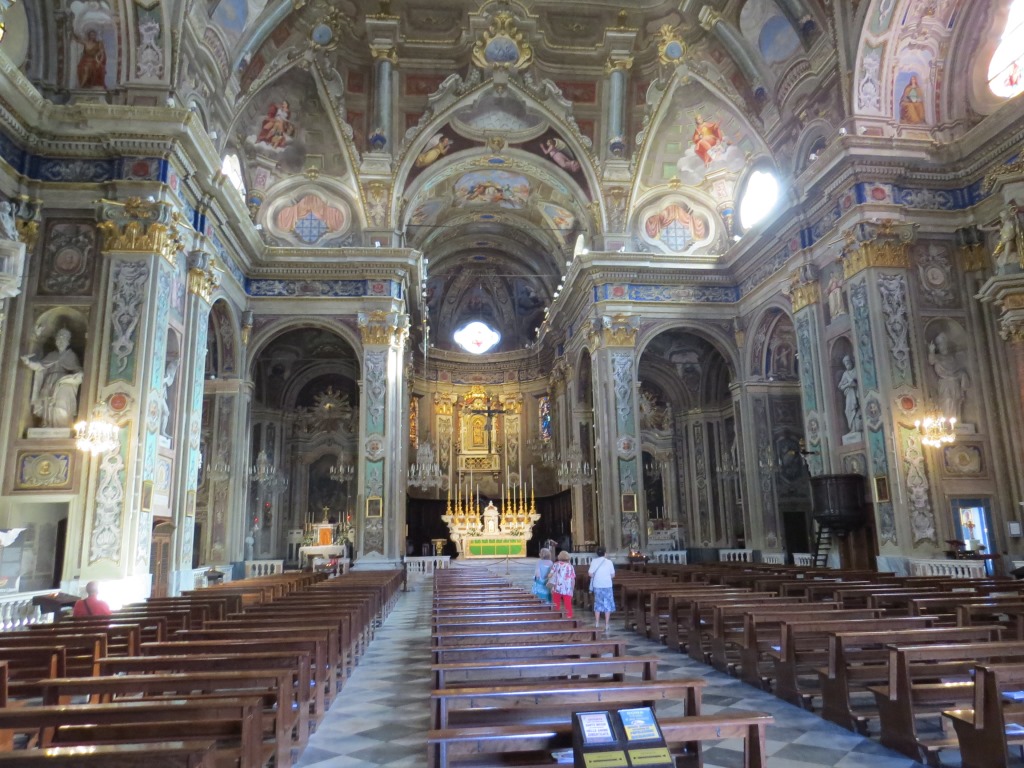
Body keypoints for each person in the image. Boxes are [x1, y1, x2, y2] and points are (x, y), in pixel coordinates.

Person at [22, 328, 83, 429]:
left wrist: (78, 375)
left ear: (68, 341)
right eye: (59, 338)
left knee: (61, 404)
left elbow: (78, 370)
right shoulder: (52, 355)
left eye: (63, 338)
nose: (61, 341)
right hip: (49, 381)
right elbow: (40, 366)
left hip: (63, 383)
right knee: (47, 404)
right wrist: (28, 362)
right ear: (55, 341)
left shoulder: (71, 355)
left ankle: (61, 426)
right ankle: (47, 424)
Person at [929, 332, 970, 421]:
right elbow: (931, 360)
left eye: (945, 345)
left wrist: (961, 374)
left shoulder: (952, 357)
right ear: (938, 347)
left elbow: (956, 369)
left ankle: (956, 421)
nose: (944, 347)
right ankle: (946, 422)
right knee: (947, 400)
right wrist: (931, 350)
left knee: (956, 400)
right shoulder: (937, 357)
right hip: (945, 383)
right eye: (941, 345)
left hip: (954, 382)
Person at [588, 546, 615, 632]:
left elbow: (590, 573)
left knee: (598, 603)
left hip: (597, 585)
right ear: (605, 553)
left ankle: (597, 623)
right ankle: (607, 624)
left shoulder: (594, 561)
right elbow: (613, 575)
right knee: (607, 604)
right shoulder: (609, 562)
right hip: (607, 585)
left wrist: (597, 576)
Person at [548, 551, 576, 618]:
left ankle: (556, 617)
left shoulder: (555, 564)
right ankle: (569, 617)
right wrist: (572, 589)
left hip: (556, 587)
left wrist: (550, 576)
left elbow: (550, 575)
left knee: (556, 604)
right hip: (567, 588)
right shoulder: (570, 566)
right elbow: (572, 579)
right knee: (568, 604)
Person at [838, 355, 862, 433]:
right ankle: (852, 427)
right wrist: (848, 385)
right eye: (845, 363)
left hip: (857, 394)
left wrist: (854, 383)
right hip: (849, 395)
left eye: (848, 362)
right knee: (848, 410)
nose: (847, 364)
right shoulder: (845, 374)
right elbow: (840, 386)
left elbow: (858, 381)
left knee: (857, 410)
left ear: (851, 362)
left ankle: (857, 427)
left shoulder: (856, 370)